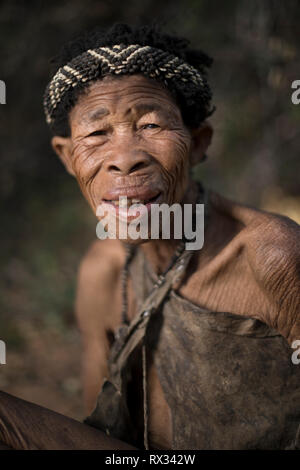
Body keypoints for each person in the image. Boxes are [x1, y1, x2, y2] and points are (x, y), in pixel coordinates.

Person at [0, 23, 299, 450]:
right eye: (97, 134)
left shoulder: (273, 258)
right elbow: (98, 433)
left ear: (197, 144)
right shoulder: (102, 272)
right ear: (68, 158)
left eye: (152, 126)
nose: (125, 159)